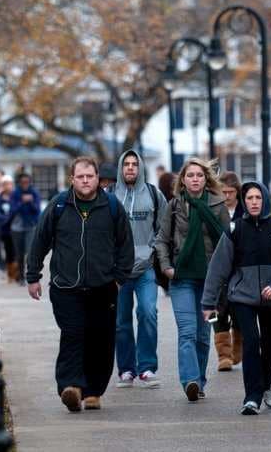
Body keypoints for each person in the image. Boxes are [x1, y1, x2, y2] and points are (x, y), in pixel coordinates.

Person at [26, 157, 134, 412]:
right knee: (73, 335)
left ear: (98, 178)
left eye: (90, 176)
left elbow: (125, 245)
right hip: (66, 287)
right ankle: (71, 387)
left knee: (101, 339)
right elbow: (39, 241)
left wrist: (119, 278)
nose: (85, 181)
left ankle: (94, 391)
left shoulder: (111, 206)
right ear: (72, 179)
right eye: (80, 177)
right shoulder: (59, 205)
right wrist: (33, 276)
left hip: (103, 286)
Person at [202, 181, 271, 415]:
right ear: (244, 201)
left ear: (264, 199)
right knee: (251, 342)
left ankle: (267, 384)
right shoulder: (235, 230)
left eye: (258, 198)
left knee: (269, 345)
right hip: (242, 298)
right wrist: (208, 302)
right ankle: (252, 397)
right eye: (249, 198)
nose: (254, 202)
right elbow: (218, 268)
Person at [154, 157, 229, 401]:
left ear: (206, 179)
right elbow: (162, 239)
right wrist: (166, 267)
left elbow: (228, 243)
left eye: (199, 175)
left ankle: (200, 380)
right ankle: (191, 381)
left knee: (202, 335)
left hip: (210, 281)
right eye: (190, 175)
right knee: (187, 332)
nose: (195, 179)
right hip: (182, 278)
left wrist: (223, 276)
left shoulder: (218, 205)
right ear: (183, 181)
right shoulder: (174, 206)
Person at [112, 150, 167, 389]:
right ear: (121, 169)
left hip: (146, 268)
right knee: (120, 321)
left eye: (135, 164)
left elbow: (164, 228)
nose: (131, 168)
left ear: (141, 167)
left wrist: (154, 252)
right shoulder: (109, 196)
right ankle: (126, 369)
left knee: (148, 313)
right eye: (127, 164)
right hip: (118, 271)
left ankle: (146, 367)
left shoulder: (154, 195)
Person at [212, 171, 245, 372]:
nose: (227, 196)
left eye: (231, 191)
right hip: (218, 267)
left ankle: (238, 348)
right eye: (223, 191)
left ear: (237, 191)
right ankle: (223, 355)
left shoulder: (245, 210)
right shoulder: (214, 209)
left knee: (240, 310)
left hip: (241, 268)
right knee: (217, 312)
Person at [10, 172, 41, 285]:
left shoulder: (34, 193)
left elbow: (37, 210)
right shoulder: (15, 193)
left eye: (27, 182)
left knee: (29, 253)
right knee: (19, 254)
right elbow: (12, 210)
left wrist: (31, 201)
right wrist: (22, 202)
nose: (25, 184)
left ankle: (31, 276)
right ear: (19, 183)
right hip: (16, 228)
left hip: (30, 226)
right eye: (23, 182)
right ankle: (20, 276)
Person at [0, 175, 17, 283]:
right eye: (5, 184)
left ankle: (18, 273)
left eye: (9, 184)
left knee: (19, 252)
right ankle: (10, 274)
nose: (8, 186)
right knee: (9, 252)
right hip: (5, 231)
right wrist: (6, 219)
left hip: (17, 229)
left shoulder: (16, 198)